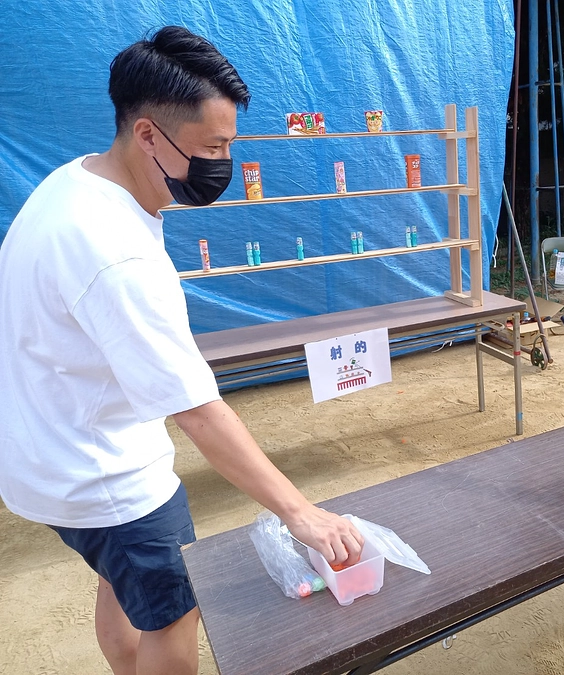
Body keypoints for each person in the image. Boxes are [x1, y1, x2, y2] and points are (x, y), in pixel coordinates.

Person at [0, 26, 363, 675]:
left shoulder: (73, 183)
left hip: (42, 458)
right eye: (214, 147)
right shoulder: (119, 252)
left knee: (121, 580)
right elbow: (199, 412)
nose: (223, 161)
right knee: (173, 611)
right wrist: (301, 513)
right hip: (109, 478)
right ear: (148, 135)